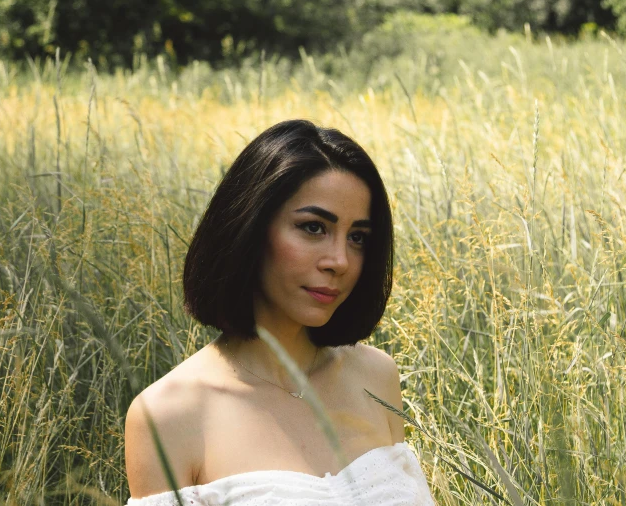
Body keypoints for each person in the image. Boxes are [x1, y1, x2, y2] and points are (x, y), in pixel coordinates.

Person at [124, 119, 435, 505]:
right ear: (250, 228)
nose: (339, 260)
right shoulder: (168, 416)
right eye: (313, 228)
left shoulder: (376, 376)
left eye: (358, 237)